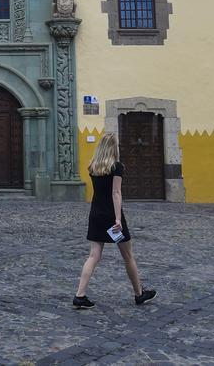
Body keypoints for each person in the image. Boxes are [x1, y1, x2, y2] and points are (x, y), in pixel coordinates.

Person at [73, 131, 156, 309]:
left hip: (96, 213)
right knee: (127, 256)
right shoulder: (117, 167)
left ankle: (80, 295)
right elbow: (116, 192)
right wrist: (117, 218)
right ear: (113, 148)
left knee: (93, 255)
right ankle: (139, 294)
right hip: (112, 218)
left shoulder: (93, 166)